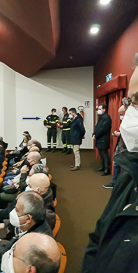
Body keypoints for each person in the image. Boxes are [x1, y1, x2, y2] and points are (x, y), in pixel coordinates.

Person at [83, 76, 138, 271]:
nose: (125, 111)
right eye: (131, 101)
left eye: (136, 101)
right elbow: (98, 237)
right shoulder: (130, 176)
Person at [94, 103, 113, 175]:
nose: (98, 110)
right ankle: (102, 167)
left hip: (103, 139)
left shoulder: (106, 118)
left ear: (104, 110)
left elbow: (103, 129)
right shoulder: (101, 117)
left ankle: (106, 169)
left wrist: (96, 135)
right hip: (99, 138)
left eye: (99, 109)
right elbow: (97, 127)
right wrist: (94, 134)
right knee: (100, 153)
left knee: (104, 154)